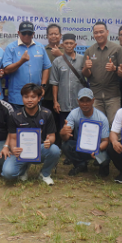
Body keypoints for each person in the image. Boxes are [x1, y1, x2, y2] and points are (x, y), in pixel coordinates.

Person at [1, 83, 61, 185]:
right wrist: (14, 148)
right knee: (8, 173)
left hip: (40, 149)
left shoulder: (47, 114)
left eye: (33, 97)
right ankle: (24, 168)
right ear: (22, 98)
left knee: (55, 150)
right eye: (26, 97)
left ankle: (45, 174)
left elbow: (52, 136)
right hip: (22, 151)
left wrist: (49, 141)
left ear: (39, 98)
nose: (29, 100)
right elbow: (13, 138)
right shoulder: (15, 116)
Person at [49, 33, 86, 162]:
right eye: (66, 43)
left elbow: (88, 77)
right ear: (62, 45)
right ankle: (68, 155)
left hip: (79, 104)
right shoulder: (57, 61)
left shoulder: (82, 59)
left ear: (75, 45)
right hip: (63, 102)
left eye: (71, 43)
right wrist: (55, 101)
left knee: (80, 129)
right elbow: (54, 83)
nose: (69, 46)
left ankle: (81, 154)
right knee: (65, 129)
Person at [59, 88, 111, 176]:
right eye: (82, 101)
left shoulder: (101, 118)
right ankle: (80, 165)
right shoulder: (73, 114)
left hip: (97, 148)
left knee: (105, 159)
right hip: (81, 146)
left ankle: (102, 164)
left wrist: (98, 148)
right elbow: (66, 137)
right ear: (78, 101)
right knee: (66, 145)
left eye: (88, 100)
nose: (85, 104)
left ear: (93, 101)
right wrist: (63, 133)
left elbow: (105, 140)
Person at [1, 21, 50, 110]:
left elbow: (46, 67)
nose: (27, 35)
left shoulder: (40, 47)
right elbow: (7, 70)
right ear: (18, 33)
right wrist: (21, 61)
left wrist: (43, 86)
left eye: (29, 33)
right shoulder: (11, 48)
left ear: (33, 34)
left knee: (36, 123)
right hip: (17, 97)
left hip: (36, 96)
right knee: (18, 123)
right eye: (24, 33)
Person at [83, 21, 122, 119]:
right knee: (97, 125)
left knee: (114, 125)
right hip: (95, 96)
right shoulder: (89, 51)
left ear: (107, 32)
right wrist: (86, 67)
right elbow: (86, 74)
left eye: (101, 32)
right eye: (96, 33)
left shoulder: (117, 49)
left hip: (113, 95)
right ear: (93, 34)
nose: (99, 35)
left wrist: (114, 69)